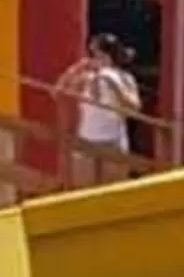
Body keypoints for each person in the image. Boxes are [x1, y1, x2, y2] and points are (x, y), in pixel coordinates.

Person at [58, 34, 141, 182]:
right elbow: (58, 92)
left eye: (96, 54)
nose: (93, 58)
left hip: (113, 142)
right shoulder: (85, 78)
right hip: (87, 141)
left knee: (113, 191)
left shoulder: (124, 78)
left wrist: (113, 85)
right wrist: (75, 69)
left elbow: (134, 109)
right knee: (84, 190)